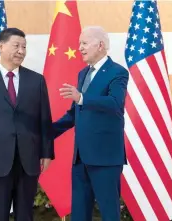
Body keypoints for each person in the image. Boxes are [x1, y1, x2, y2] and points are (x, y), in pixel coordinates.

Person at [0, 27, 54, 221]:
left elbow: (44, 119)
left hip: (29, 157)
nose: (21, 51)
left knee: (25, 214)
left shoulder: (37, 80)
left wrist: (47, 152)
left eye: (24, 47)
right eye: (16, 46)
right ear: (0, 46)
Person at [53, 26, 129, 221]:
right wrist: (46, 131)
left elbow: (115, 103)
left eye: (84, 43)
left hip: (105, 158)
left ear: (101, 45)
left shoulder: (117, 72)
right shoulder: (82, 74)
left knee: (109, 213)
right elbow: (74, 113)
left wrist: (82, 98)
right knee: (79, 214)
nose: (80, 48)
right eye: (80, 43)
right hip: (80, 159)